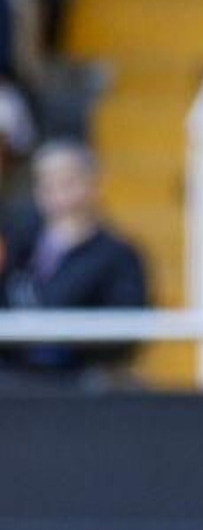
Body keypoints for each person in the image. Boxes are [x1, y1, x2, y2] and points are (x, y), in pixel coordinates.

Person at [0, 139, 147, 376]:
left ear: (93, 186)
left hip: (77, 386)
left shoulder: (118, 256)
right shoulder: (20, 245)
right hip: (14, 381)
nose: (58, 196)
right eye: (46, 185)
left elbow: (125, 335)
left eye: (67, 183)